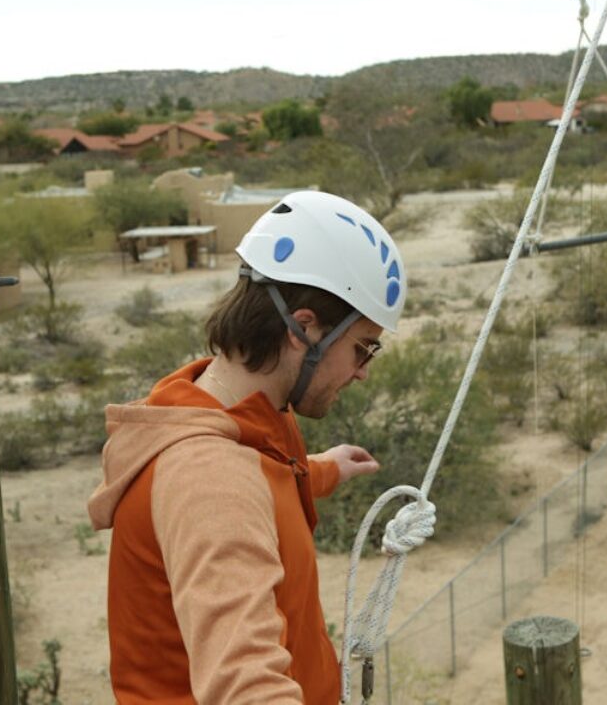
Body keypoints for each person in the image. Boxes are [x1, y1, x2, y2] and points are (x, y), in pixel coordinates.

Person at [88, 190, 407, 704]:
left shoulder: (246, 415)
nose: (363, 371)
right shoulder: (210, 479)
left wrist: (324, 469)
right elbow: (247, 686)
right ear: (304, 328)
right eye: (363, 348)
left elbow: (268, 477)